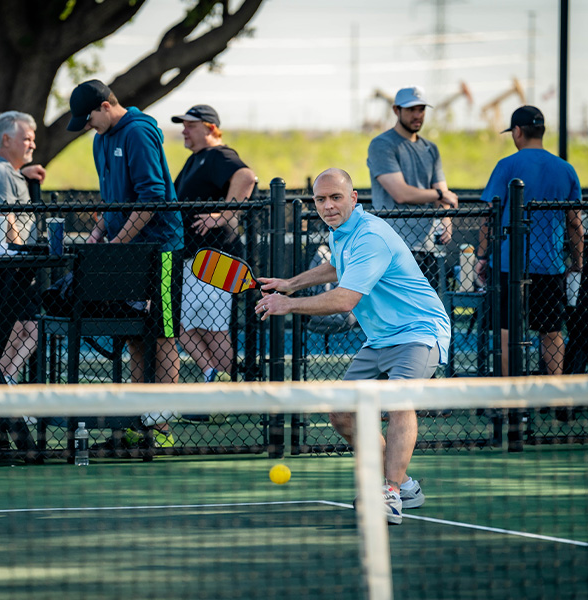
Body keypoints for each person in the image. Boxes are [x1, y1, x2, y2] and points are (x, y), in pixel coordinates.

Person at [255, 168, 451, 525]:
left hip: (419, 331)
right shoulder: (343, 233)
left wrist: (287, 304)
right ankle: (404, 482)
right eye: (320, 199)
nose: (328, 206)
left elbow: (345, 299)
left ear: (354, 198)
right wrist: (291, 285)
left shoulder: (370, 235)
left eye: (335, 197)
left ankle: (389, 492)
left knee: (397, 399)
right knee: (342, 413)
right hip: (380, 337)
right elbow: (337, 268)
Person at [67, 79, 184, 447]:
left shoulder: (138, 132)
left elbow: (153, 197)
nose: (87, 126)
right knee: (135, 334)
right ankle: (139, 420)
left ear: (105, 107)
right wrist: (98, 235)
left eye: (88, 118)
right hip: (126, 250)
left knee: (163, 334)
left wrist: (116, 243)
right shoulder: (101, 139)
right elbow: (111, 199)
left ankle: (161, 429)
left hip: (159, 249)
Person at [475, 106, 583, 380]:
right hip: (550, 265)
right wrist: (578, 262)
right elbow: (574, 223)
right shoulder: (566, 170)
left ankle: (511, 397)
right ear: (542, 131)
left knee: (507, 331)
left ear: (518, 131)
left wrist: (482, 256)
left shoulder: (507, 165)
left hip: (511, 265)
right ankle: (555, 392)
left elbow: (490, 216)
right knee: (552, 331)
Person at [170, 104, 257, 389]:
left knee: (214, 329)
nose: (184, 130)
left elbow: (246, 177)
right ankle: (215, 377)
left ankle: (225, 390)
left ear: (210, 128)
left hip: (215, 258)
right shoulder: (198, 158)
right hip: (195, 258)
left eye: (190, 125)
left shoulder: (219, 154)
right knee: (183, 325)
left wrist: (223, 216)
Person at [0, 111, 47, 386]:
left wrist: (22, 175)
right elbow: (6, 218)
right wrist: (19, 263)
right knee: (18, 330)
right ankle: (1, 388)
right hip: (7, 268)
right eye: (26, 138)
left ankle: (2, 384)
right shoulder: (0, 173)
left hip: (9, 267)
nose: (32, 145)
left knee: (27, 328)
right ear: (6, 139)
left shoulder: (5, 172)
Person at [367, 86, 459, 291]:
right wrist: (440, 195)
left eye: (421, 109)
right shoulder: (382, 145)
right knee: (396, 314)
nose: (417, 115)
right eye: (411, 110)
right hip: (394, 246)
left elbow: (443, 195)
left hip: (429, 248)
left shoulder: (430, 148)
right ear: (396, 110)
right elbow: (400, 193)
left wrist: (446, 218)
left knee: (428, 314)